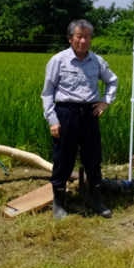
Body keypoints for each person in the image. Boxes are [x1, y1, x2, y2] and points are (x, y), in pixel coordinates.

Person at [41, 19, 118, 220]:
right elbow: (48, 92)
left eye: (87, 36)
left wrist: (105, 102)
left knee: (93, 158)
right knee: (63, 159)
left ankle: (95, 200)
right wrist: (52, 119)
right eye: (79, 36)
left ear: (91, 39)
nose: (83, 40)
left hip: (90, 113)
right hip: (66, 113)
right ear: (70, 38)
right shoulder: (58, 61)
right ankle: (59, 204)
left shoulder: (97, 61)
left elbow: (112, 81)